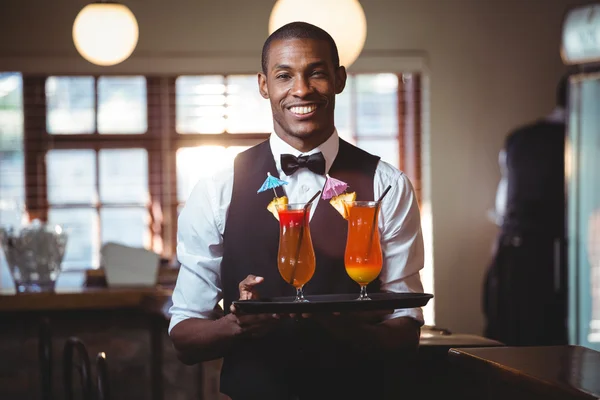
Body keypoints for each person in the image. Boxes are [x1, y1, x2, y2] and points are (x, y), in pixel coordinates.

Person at [169, 21, 425, 400]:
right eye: (284, 75)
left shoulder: (387, 185)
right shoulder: (216, 188)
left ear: (339, 79)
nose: (301, 89)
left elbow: (406, 329)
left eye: (316, 73)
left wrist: (347, 328)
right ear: (263, 85)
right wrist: (238, 325)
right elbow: (185, 338)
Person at [483, 74, 570, 346]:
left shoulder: (519, 139)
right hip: (557, 262)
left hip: (513, 253)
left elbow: (502, 205)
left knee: (518, 346)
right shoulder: (583, 140)